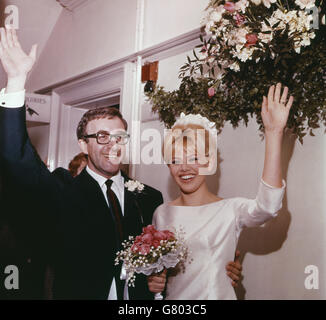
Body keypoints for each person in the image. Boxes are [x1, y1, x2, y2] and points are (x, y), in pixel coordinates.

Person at [0, 26, 241, 299]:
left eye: (119, 137)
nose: (113, 145)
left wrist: (223, 263)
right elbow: (16, 158)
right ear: (83, 144)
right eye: (102, 136)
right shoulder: (63, 190)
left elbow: (171, 258)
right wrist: (17, 81)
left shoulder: (149, 197)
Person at [148, 83, 292, 299]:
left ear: (210, 160)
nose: (184, 168)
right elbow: (161, 273)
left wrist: (273, 133)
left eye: (194, 158)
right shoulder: (161, 213)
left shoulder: (230, 210)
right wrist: (154, 281)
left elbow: (268, 207)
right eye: (176, 160)